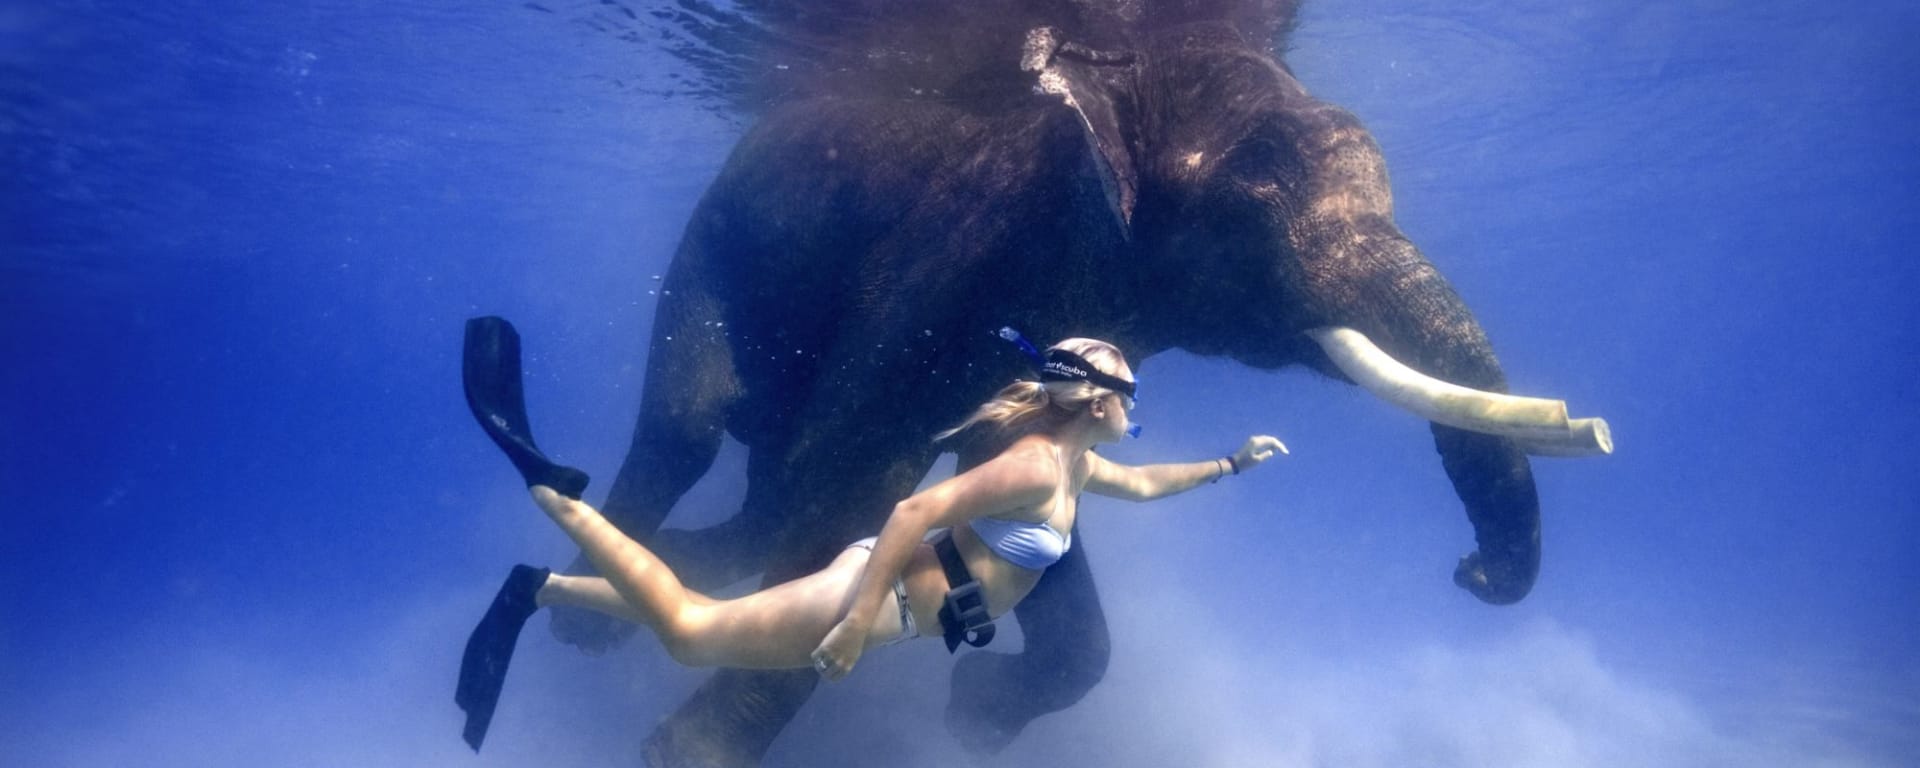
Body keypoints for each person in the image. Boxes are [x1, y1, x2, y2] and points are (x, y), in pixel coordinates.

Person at [453, 317, 1287, 750]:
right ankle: (555, 499)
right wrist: (854, 625)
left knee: (696, 617)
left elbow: (1142, 482)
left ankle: (538, 588)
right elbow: (912, 512)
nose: (1135, 411)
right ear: (1099, 401)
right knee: (688, 633)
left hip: (889, 598)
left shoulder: (1074, 468)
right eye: (1130, 396)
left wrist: (1229, 465)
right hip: (874, 595)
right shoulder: (1037, 465)